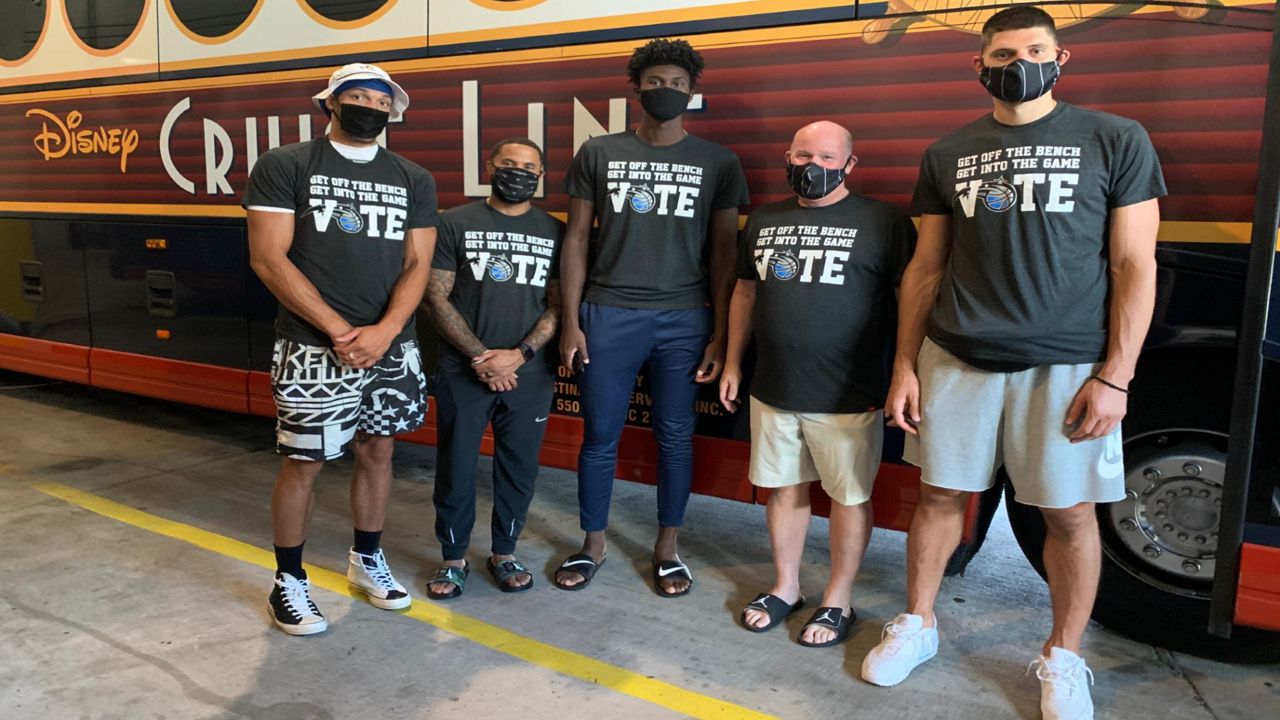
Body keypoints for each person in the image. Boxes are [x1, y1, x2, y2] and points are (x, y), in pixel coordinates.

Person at [860, 8, 1164, 720]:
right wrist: (904, 365)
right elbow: (925, 271)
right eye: (1003, 52)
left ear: (1061, 61)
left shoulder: (1114, 138)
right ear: (979, 67)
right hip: (957, 357)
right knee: (938, 497)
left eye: (1034, 50)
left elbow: (1133, 264)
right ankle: (920, 623)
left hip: (1065, 365)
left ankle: (1063, 657)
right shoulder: (947, 152)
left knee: (1068, 513)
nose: (1018, 62)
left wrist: (1116, 375)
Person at [243, 63, 438, 635]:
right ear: (330, 103)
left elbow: (418, 264)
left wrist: (383, 332)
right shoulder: (286, 165)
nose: (369, 107)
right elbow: (268, 258)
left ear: (392, 113)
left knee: (379, 453)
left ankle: (366, 561)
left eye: (381, 101)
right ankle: (289, 581)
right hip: (310, 346)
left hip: (392, 348)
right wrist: (338, 330)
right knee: (303, 462)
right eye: (356, 96)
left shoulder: (413, 178)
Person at [556, 38, 749, 596]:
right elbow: (575, 241)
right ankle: (592, 543)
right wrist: (571, 320)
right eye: (656, 82)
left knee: (675, 437)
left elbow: (723, 254)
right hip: (607, 312)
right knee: (599, 436)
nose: (667, 91)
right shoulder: (599, 152)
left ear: (693, 92)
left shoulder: (718, 162)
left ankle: (668, 548)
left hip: (684, 318)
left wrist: (718, 332)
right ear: (636, 87)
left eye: (678, 84)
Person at [721, 121, 915, 646]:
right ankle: (786, 587)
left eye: (828, 157)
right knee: (783, 490)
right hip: (774, 387)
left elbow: (909, 302)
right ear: (787, 157)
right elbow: (744, 292)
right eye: (804, 154)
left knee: (849, 497)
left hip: (849, 393)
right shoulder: (765, 218)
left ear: (850, 165)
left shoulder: (885, 222)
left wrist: (905, 370)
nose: (814, 166)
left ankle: (838, 599)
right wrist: (734, 362)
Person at [423, 138, 563, 599]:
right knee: (457, 465)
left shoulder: (555, 231)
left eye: (529, 167)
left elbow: (559, 305)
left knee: (519, 467)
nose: (518, 172)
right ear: (489, 166)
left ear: (540, 177)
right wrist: (481, 357)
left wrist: (519, 354)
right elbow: (435, 296)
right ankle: (453, 557)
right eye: (508, 164)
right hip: (466, 370)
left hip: (529, 372)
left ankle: (505, 551)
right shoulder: (454, 223)